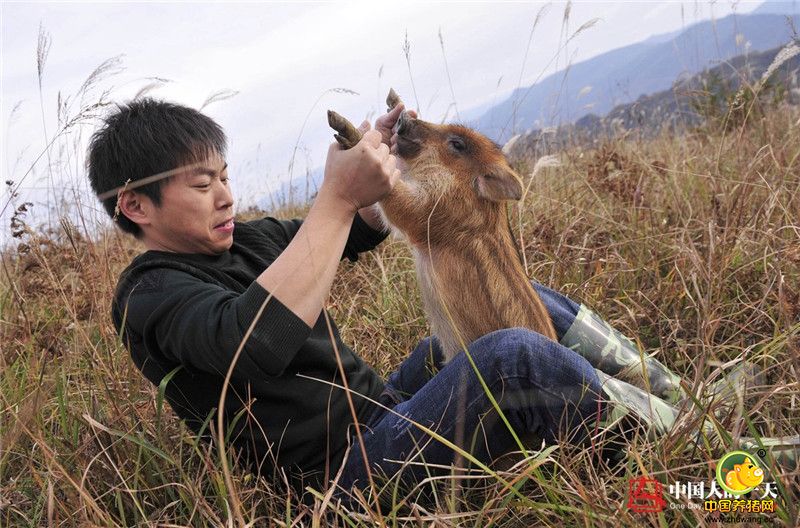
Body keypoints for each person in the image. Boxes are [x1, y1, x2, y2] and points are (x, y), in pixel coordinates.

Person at [88, 99, 607, 501]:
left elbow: (357, 228)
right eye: (204, 185)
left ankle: (645, 386)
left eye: (224, 176)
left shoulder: (250, 241)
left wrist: (382, 159)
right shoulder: (150, 293)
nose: (226, 196)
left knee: (520, 309)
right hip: (345, 482)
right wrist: (335, 197)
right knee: (510, 354)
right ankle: (640, 447)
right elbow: (257, 342)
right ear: (136, 206)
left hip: (386, 412)